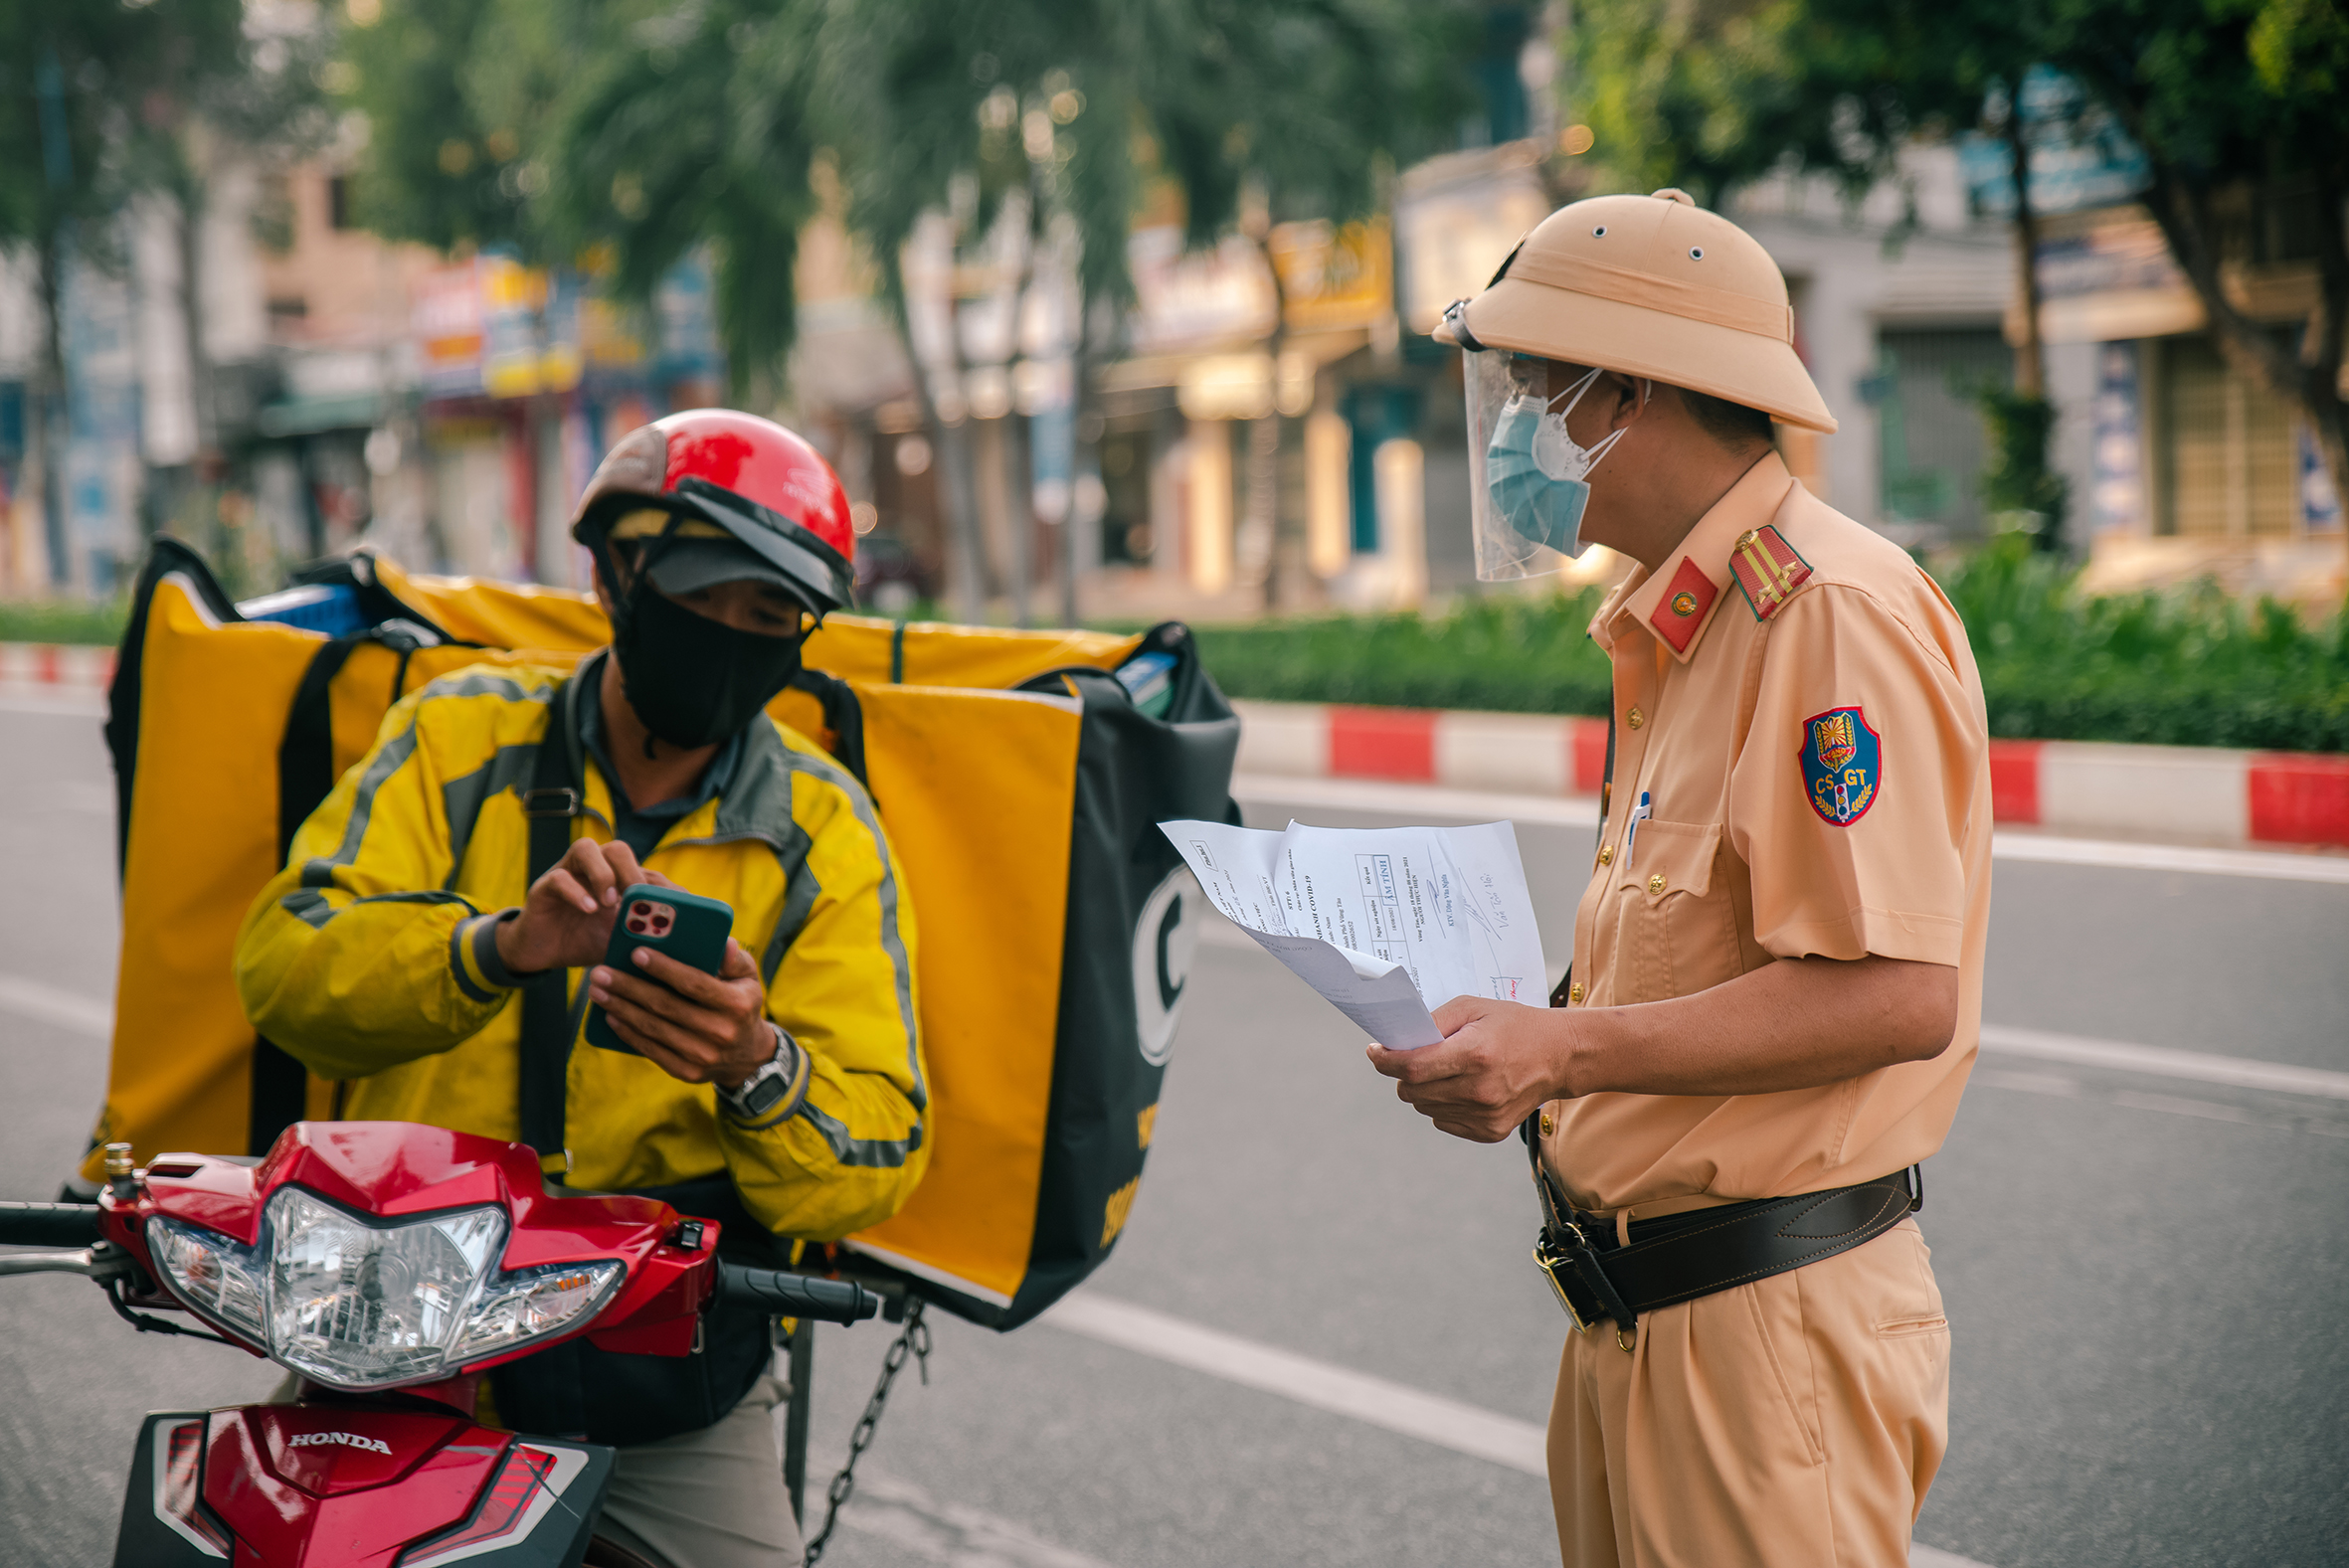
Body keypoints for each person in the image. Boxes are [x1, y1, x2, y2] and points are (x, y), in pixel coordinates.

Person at [1372, 190, 1988, 1568]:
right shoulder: (1685, 623)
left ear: (1629, 395)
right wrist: (1525, 1056)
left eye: (1538, 389)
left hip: (1762, 1328)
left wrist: (1565, 1049)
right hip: (1634, 1316)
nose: (1517, 428)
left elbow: (1895, 997)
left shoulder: (1821, 613)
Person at [236, 409, 925, 1568]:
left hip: (661, 1368)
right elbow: (284, 966)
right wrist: (496, 948)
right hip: (397, 1322)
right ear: (617, 575)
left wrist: (755, 1066)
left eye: (770, 618)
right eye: (706, 597)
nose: (731, 636)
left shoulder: (823, 830)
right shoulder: (457, 736)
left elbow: (882, 1146)